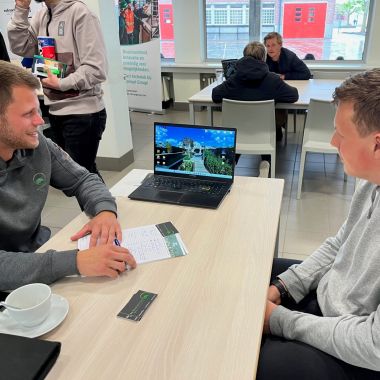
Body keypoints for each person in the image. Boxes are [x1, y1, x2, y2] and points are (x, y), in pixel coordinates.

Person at [258, 69, 380, 379]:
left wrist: (279, 320)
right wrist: (284, 287)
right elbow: (341, 243)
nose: (332, 141)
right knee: (257, 269)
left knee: (251, 359)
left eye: (342, 133)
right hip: (333, 302)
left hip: (357, 351)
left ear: (377, 144)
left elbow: (373, 345)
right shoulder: (371, 181)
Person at [0, 61, 136, 291]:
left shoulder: (36, 144)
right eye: (28, 114)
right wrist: (75, 261)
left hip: (40, 259)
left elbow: (84, 179)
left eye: (38, 109)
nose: (40, 121)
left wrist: (104, 211)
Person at [8, 0, 108, 180]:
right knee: (85, 174)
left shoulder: (81, 14)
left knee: (81, 177)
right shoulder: (43, 15)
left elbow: (96, 69)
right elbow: (21, 47)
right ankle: (104, 207)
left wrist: (61, 84)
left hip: (83, 113)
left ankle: (104, 207)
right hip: (54, 109)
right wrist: (21, 9)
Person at [212, 41, 298, 142]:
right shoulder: (273, 80)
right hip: (266, 132)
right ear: (264, 58)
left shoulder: (234, 79)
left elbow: (215, 95)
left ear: (244, 57)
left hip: (238, 132)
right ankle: (267, 156)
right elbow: (293, 95)